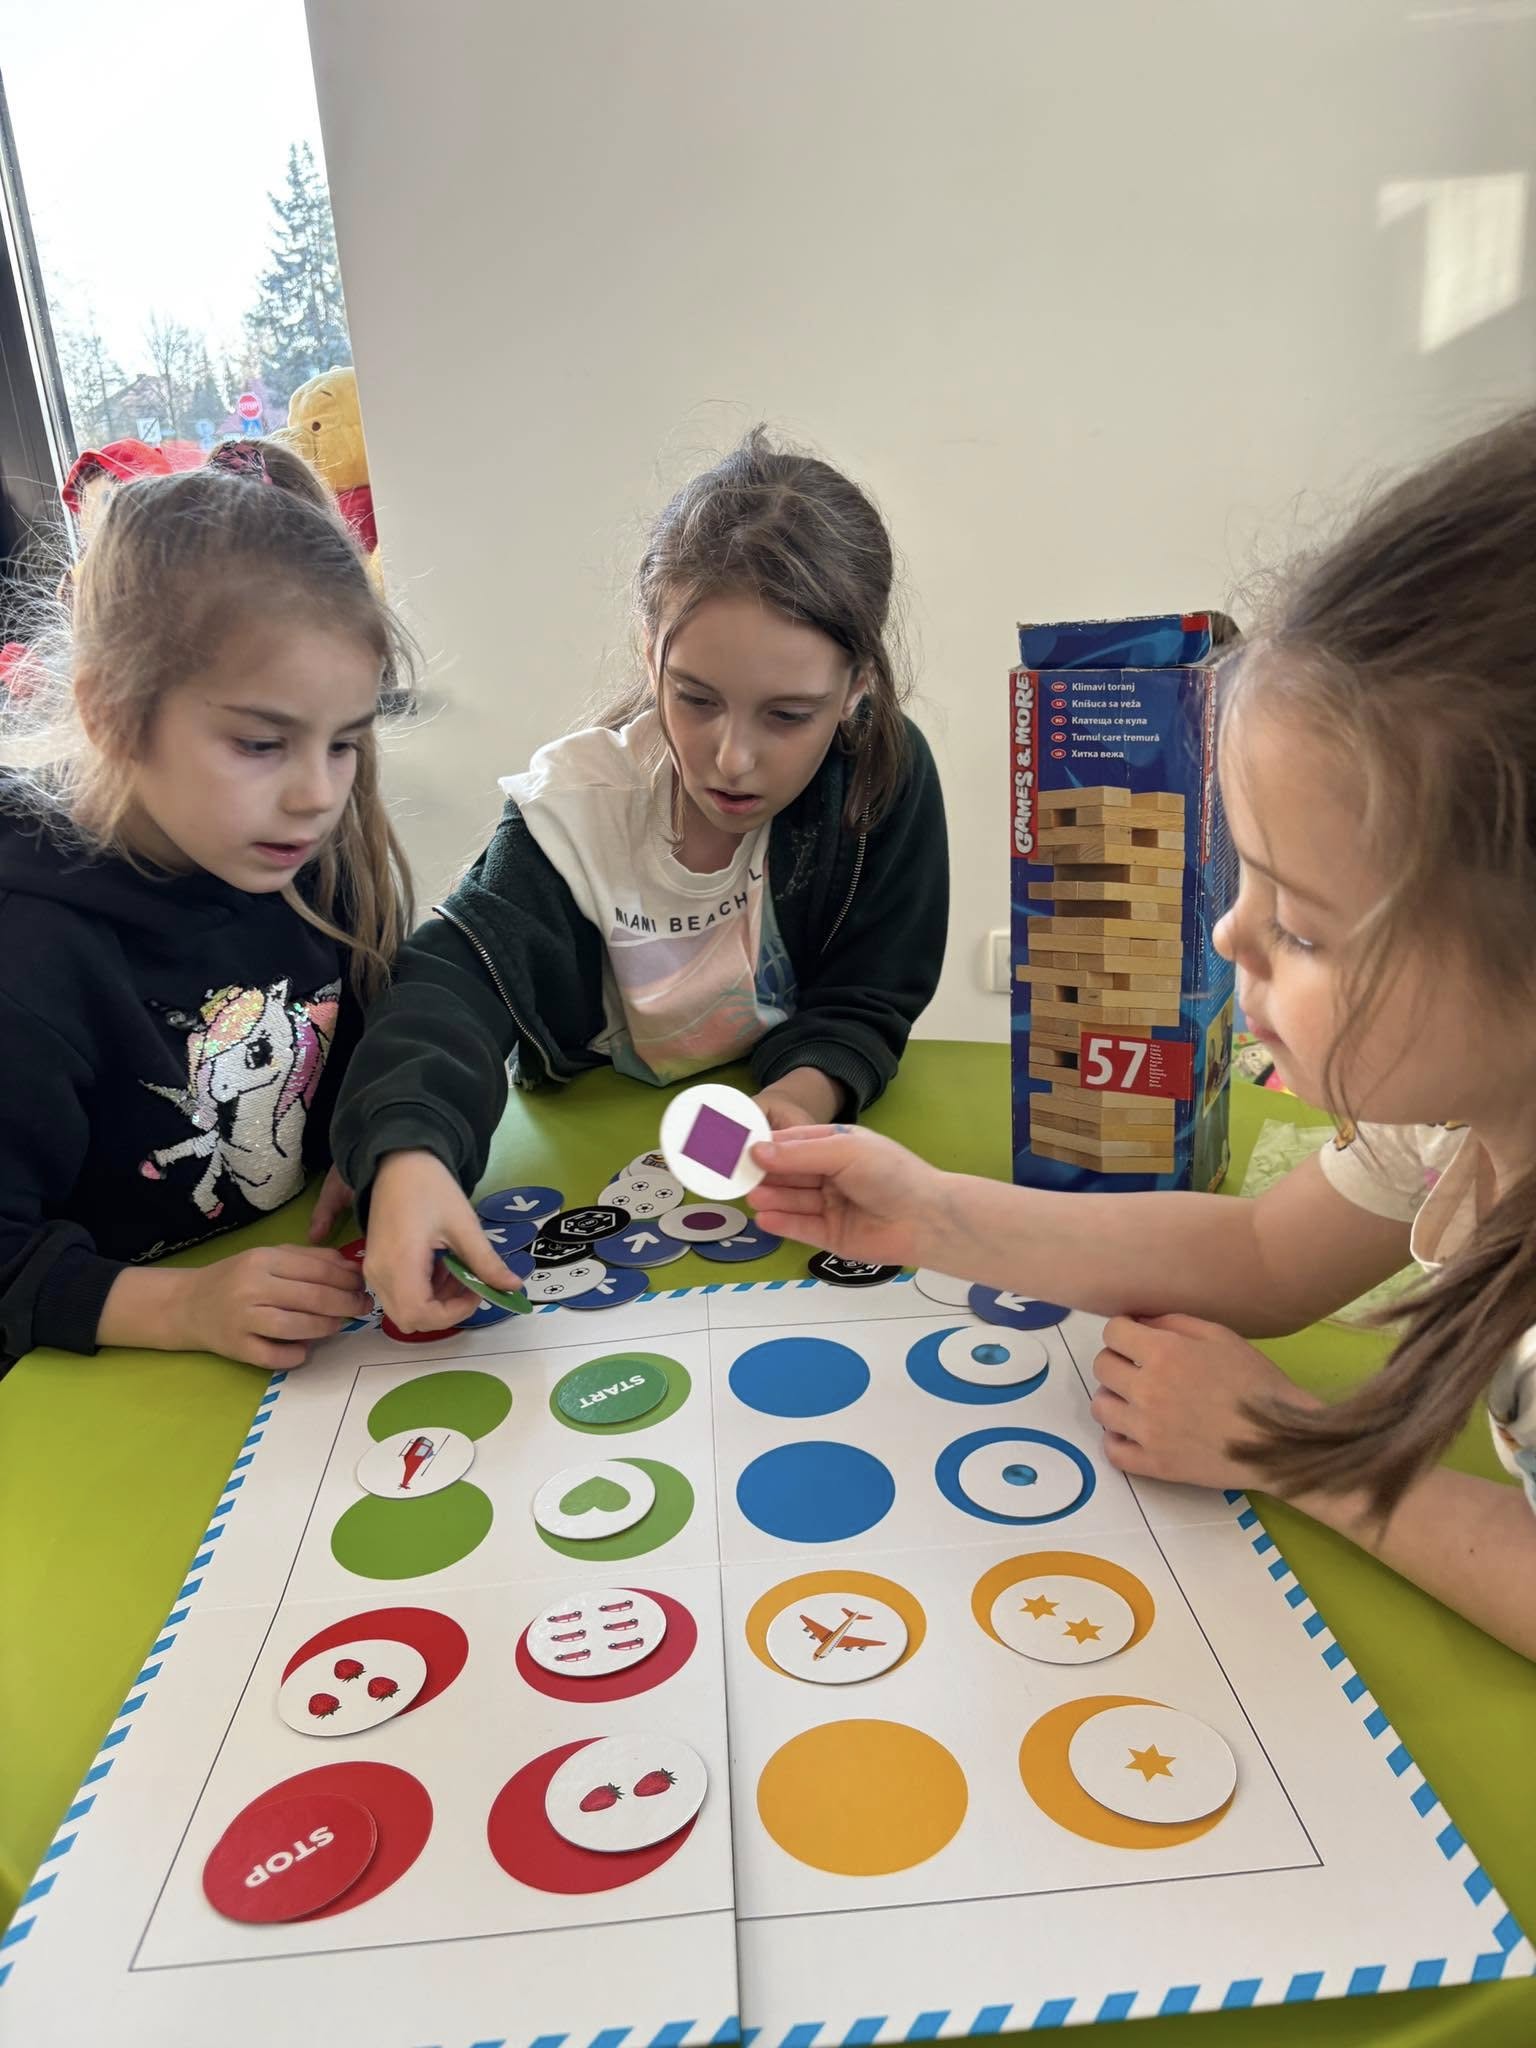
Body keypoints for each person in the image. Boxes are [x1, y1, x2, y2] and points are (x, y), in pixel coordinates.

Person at [749, 410, 1536, 1660]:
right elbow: (1269, 1255)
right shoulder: (1454, 1115)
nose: (1227, 936)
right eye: (1245, 874)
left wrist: (1293, 1447)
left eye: (1305, 926)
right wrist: (934, 1213)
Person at [333, 427, 948, 1330]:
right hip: (582, 1135)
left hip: (761, 1156)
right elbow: (451, 983)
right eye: (695, 699)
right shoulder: (578, 811)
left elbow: (870, 994)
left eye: (789, 715)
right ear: (649, 645)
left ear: (857, 687)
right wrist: (409, 1150)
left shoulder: (881, 777)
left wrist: (798, 1097)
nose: (732, 759)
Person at [0, 439, 415, 1371]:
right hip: (96, 1387)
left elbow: (380, 1058)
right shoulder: (28, 950)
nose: (318, 795)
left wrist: (393, 1150)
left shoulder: (308, 863)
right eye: (262, 745)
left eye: (344, 744)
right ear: (111, 713)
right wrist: (185, 1306)